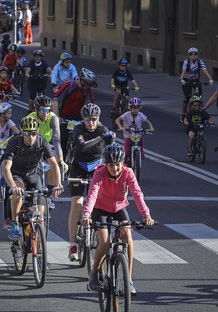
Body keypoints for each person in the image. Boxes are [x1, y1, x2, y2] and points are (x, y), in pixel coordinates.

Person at [81, 143, 155, 295]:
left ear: (123, 163)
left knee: (128, 236)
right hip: (100, 209)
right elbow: (92, 194)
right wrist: (86, 214)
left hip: (119, 208)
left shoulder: (128, 173)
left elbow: (137, 193)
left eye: (118, 165)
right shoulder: (99, 173)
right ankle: (94, 274)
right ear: (106, 164)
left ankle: (128, 280)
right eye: (111, 165)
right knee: (105, 242)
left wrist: (146, 214)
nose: (115, 169)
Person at [1, 117, 64, 240]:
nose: (31, 137)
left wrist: (58, 184)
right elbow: (6, 167)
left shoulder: (41, 142)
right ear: (22, 131)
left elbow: (54, 164)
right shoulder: (14, 142)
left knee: (40, 213)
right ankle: (14, 222)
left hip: (32, 174)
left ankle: (40, 252)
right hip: (16, 174)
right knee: (19, 191)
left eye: (34, 133)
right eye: (27, 133)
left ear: (38, 131)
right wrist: (13, 187)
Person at [66, 103, 115, 260]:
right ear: (83, 119)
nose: (91, 123)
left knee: (98, 202)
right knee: (77, 204)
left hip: (96, 168)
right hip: (79, 167)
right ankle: (73, 244)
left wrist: (111, 141)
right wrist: (101, 138)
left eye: (94, 119)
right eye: (87, 120)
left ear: (98, 118)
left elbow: (111, 155)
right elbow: (82, 147)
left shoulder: (103, 129)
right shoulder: (78, 129)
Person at [26, 95, 65, 206]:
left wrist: (61, 160)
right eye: (42, 110)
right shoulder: (31, 117)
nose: (46, 113)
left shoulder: (53, 118)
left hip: (47, 145)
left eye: (48, 110)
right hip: (32, 146)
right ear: (36, 110)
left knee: (55, 164)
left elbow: (57, 140)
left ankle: (49, 195)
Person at [55, 68, 97, 154]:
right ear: (82, 81)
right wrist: (56, 116)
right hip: (64, 115)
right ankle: (61, 161)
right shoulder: (69, 85)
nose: (89, 87)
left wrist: (89, 120)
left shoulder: (88, 91)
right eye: (88, 84)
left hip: (78, 116)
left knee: (82, 139)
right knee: (63, 139)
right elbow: (56, 100)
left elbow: (89, 106)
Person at [115, 97, 155, 165]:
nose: (136, 110)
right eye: (134, 108)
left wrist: (151, 127)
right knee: (127, 151)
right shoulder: (126, 114)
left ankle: (141, 151)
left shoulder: (140, 115)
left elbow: (148, 122)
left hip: (138, 134)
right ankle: (123, 164)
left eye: (137, 108)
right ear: (130, 108)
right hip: (128, 135)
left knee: (141, 142)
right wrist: (121, 127)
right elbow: (117, 120)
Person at [179, 47, 213, 120]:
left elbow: (204, 70)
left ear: (197, 55)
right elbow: (183, 71)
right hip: (186, 80)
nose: (193, 55)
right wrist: (181, 79)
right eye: (191, 54)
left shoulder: (200, 62)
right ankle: (183, 113)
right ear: (189, 55)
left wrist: (210, 79)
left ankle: (199, 112)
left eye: (195, 54)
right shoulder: (186, 62)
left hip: (195, 80)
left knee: (198, 97)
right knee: (187, 98)